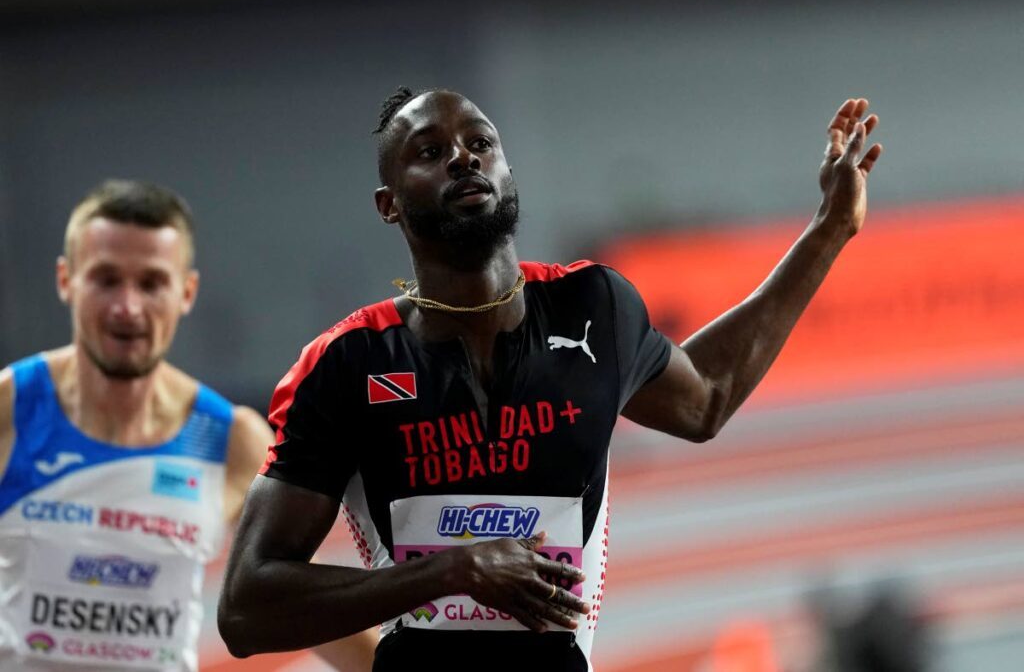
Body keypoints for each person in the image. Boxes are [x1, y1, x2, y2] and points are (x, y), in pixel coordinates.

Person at [218, 89, 883, 671]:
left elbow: (705, 397)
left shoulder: (593, 305)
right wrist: (449, 572)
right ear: (389, 204)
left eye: (481, 143)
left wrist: (830, 229)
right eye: (431, 150)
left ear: (509, 172)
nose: (463, 157)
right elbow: (247, 608)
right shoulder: (346, 363)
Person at [0, 180, 376, 670]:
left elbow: (301, 604)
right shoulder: (10, 409)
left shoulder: (228, 440)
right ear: (66, 280)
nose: (127, 307)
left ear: (187, 291)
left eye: (151, 283)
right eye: (106, 279)